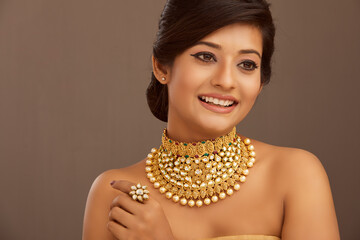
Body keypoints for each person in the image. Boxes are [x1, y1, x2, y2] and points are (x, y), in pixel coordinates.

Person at [82, 0, 340, 239]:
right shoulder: (114, 193)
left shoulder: (295, 175)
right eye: (206, 57)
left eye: (247, 64)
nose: (226, 81)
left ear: (260, 83)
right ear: (162, 67)